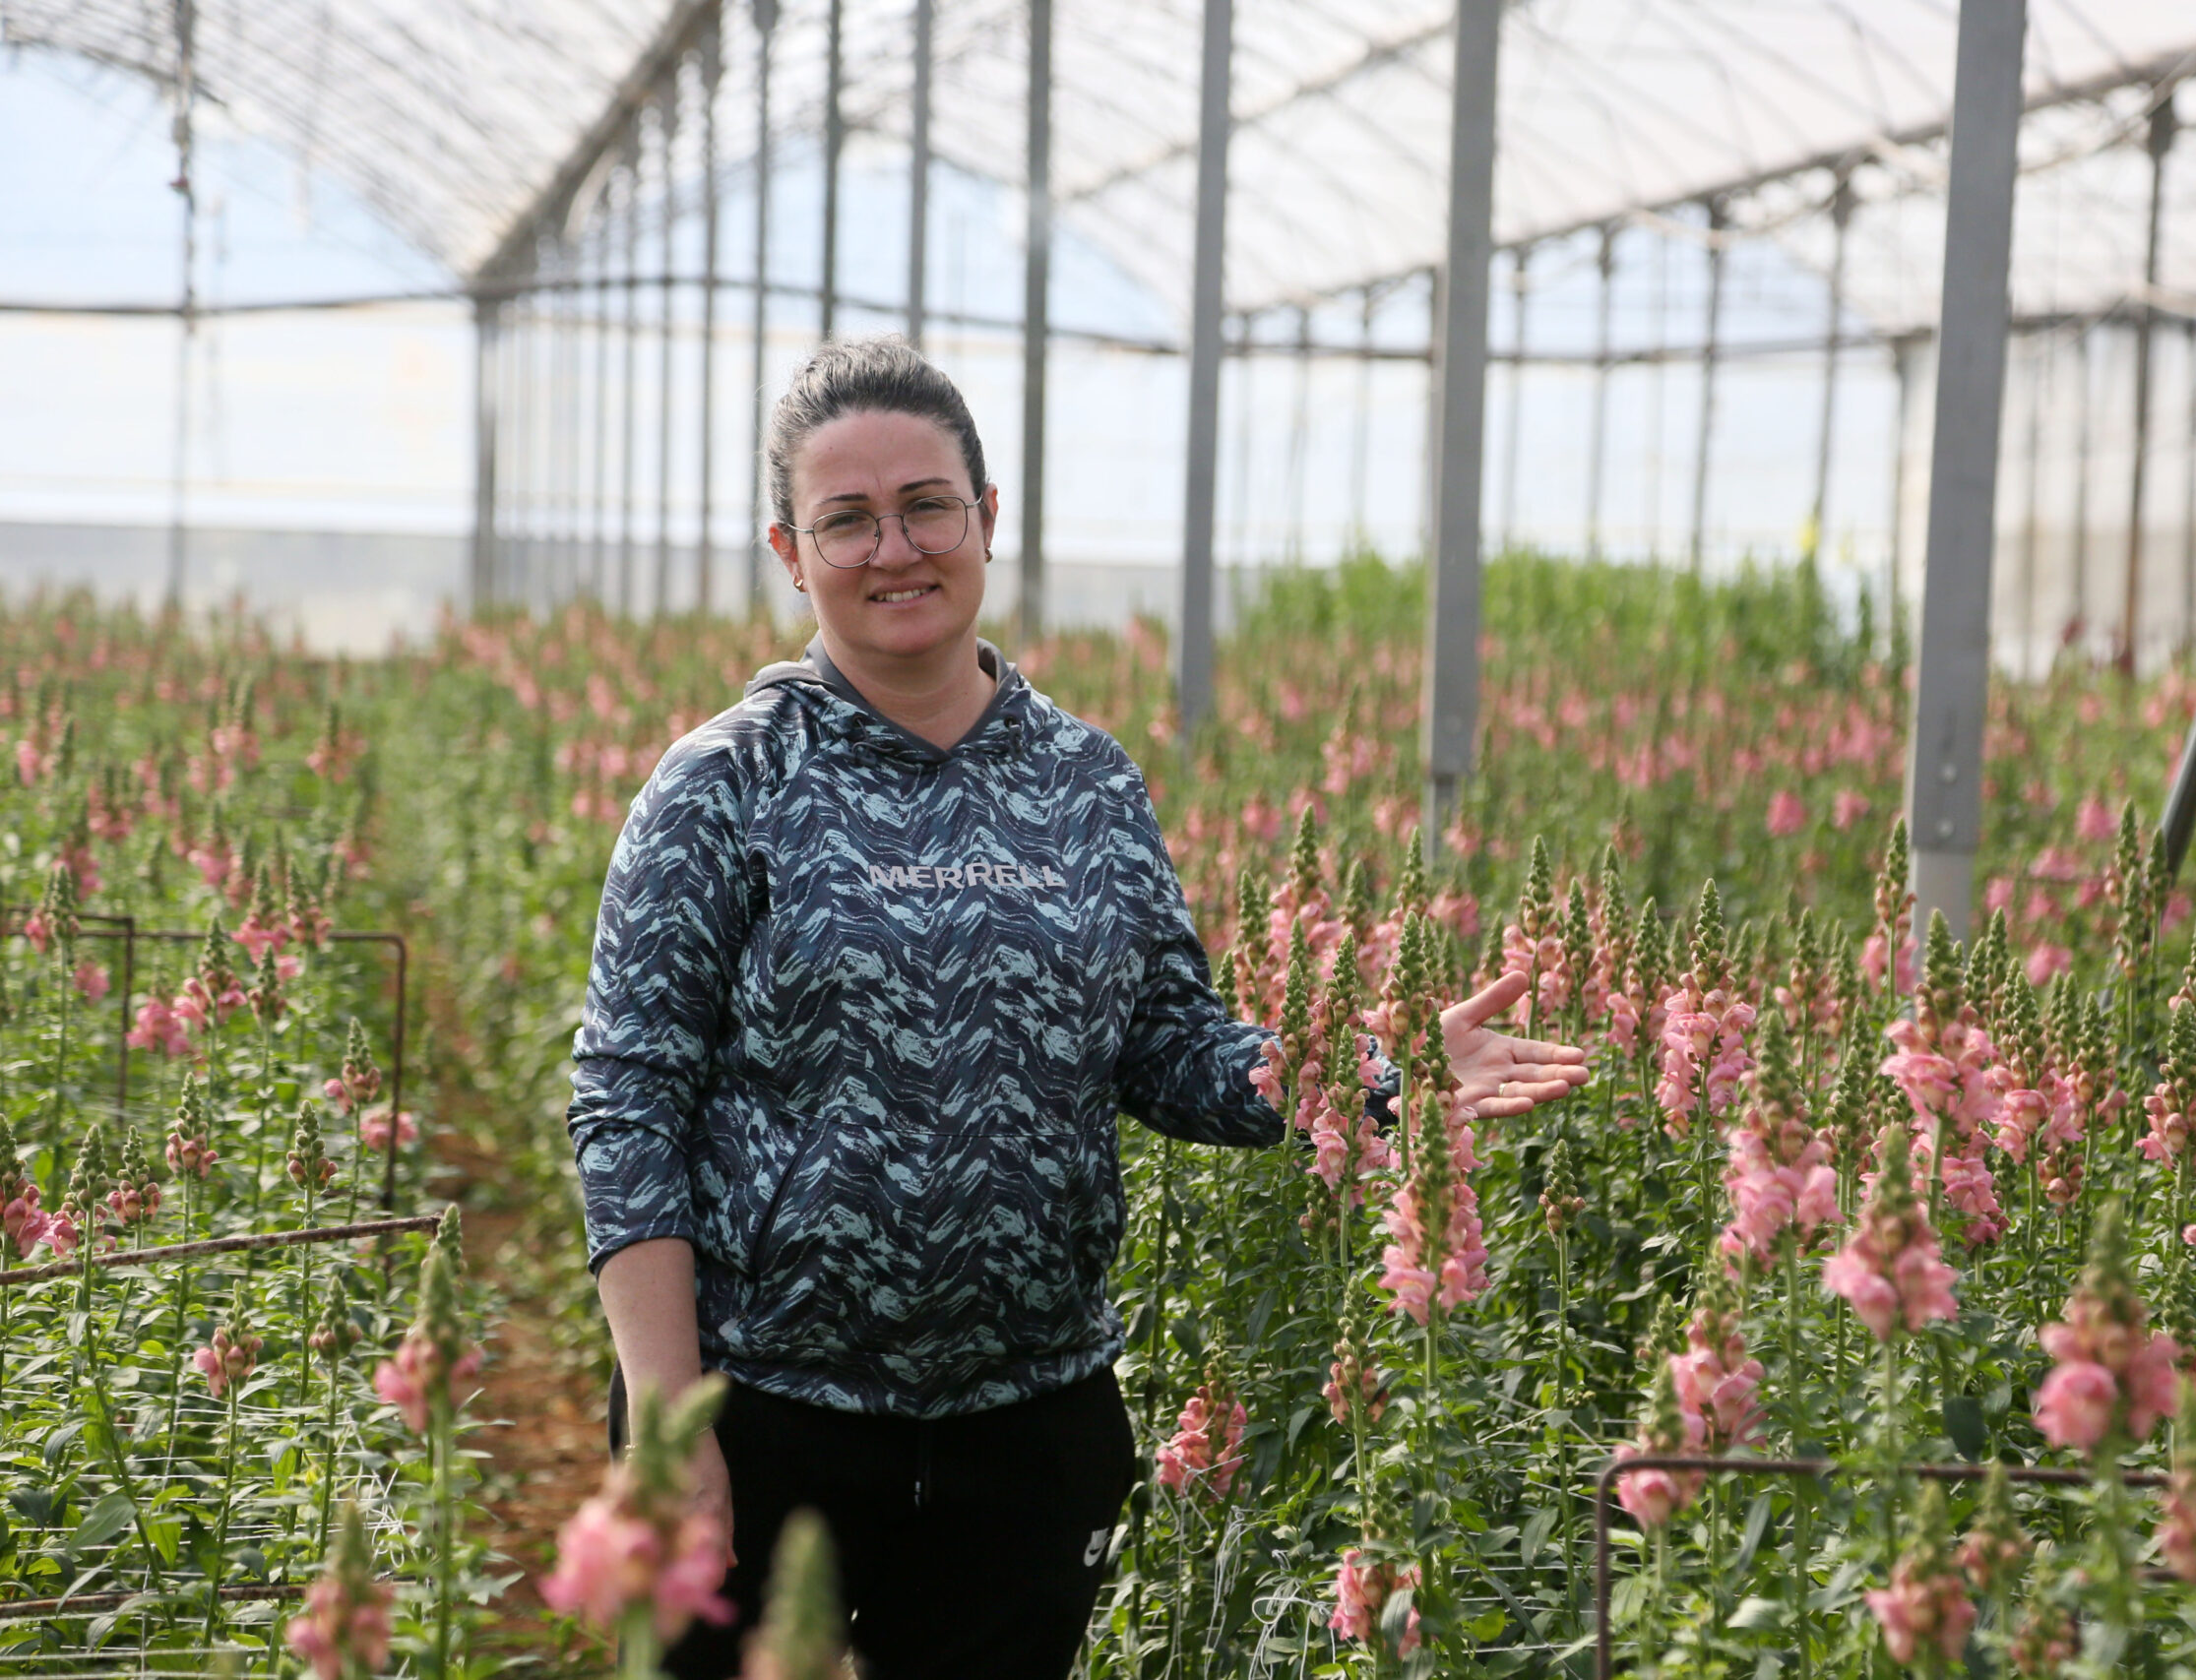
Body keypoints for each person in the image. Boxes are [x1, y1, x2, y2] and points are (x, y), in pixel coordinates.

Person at [568, 335, 1591, 1679]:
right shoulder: (724, 783)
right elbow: (627, 1099)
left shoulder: (1084, 782)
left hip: (1028, 1427)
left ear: (986, 517)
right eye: (847, 520)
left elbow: (1169, 1043)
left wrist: (1374, 1075)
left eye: (926, 504)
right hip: (766, 1415)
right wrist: (665, 1419)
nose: (895, 548)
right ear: (789, 549)